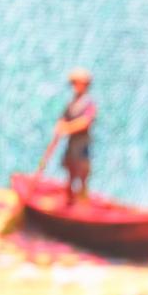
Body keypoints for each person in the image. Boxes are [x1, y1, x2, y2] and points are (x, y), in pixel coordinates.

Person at [49, 68, 97, 205]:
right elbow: (64, 117)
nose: (75, 86)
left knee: (82, 171)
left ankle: (82, 200)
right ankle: (69, 199)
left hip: (82, 143)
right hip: (72, 143)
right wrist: (60, 125)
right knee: (70, 168)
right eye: (74, 83)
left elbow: (86, 122)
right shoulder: (72, 102)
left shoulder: (88, 103)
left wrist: (68, 128)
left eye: (78, 83)